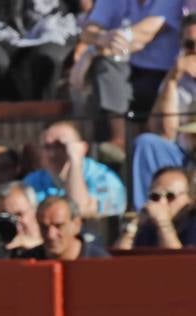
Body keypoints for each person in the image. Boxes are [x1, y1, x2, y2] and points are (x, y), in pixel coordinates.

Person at [78, 0, 186, 159]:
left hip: (163, 74)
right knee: (104, 71)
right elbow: (88, 31)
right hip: (124, 71)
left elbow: (145, 34)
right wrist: (102, 38)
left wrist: (94, 50)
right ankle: (118, 142)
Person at [130, 13, 196, 207]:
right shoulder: (177, 78)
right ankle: (146, 216)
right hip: (182, 154)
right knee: (147, 143)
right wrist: (173, 79)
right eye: (190, 45)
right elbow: (163, 132)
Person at [0, 0, 79, 101]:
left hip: (52, 27)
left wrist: (82, 46)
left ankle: (42, 114)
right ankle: (11, 111)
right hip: (2, 29)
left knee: (47, 60)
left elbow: (86, 9)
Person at [23, 121, 128, 216]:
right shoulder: (33, 181)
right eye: (47, 146)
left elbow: (80, 212)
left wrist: (75, 160)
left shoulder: (105, 179)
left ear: (82, 148)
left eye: (60, 146)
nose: (52, 153)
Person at [114, 164, 196, 246]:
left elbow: (179, 258)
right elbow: (119, 257)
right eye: (155, 196)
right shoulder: (148, 227)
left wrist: (164, 225)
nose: (161, 202)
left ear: (190, 199)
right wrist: (131, 228)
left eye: (170, 196)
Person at [0, 181, 46, 258]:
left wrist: (38, 247)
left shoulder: (53, 240)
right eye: (6, 217)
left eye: (19, 214)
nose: (14, 222)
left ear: (36, 212)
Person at [38, 195, 111, 259]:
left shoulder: (101, 263)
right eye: (44, 227)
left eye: (58, 226)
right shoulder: (28, 263)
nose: (50, 235)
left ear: (77, 225)